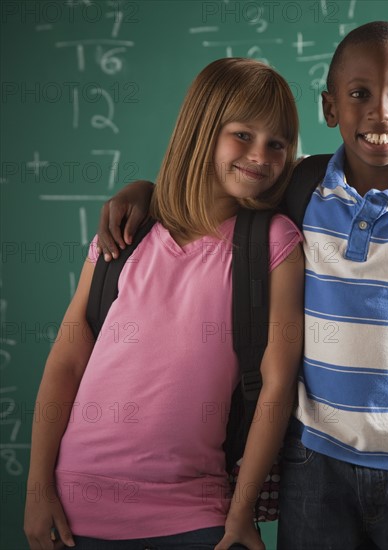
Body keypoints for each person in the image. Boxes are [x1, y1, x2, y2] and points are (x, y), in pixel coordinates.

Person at [95, 22, 388, 550]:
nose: (380, 111)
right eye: (359, 94)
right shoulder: (301, 188)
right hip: (316, 466)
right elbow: (222, 190)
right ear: (330, 108)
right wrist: (145, 192)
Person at [24, 57, 304, 550]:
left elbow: (277, 383)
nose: (260, 154)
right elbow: (67, 360)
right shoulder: (125, 237)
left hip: (195, 510)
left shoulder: (274, 244)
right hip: (75, 509)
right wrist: (37, 489)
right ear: (201, 130)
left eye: (276, 143)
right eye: (242, 134)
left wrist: (240, 514)